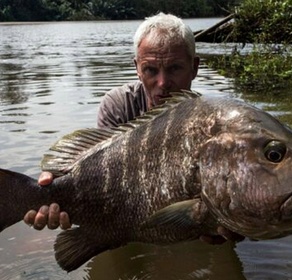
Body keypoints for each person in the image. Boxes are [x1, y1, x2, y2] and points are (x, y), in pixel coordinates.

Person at [24, 13, 234, 244]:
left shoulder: (211, 125)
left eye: (175, 68)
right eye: (151, 70)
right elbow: (99, 172)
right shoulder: (118, 105)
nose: (163, 83)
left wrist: (226, 222)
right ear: (137, 68)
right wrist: (53, 184)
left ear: (194, 68)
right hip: (124, 217)